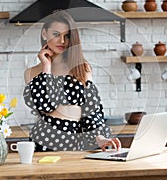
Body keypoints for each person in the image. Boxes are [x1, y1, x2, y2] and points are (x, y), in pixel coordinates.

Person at [23, 10, 121, 152]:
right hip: (45, 138)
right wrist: (46, 67)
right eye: (56, 34)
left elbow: (91, 109)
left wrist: (100, 138)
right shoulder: (31, 73)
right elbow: (46, 106)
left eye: (67, 36)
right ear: (44, 34)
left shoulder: (82, 68)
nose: (62, 41)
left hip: (76, 139)